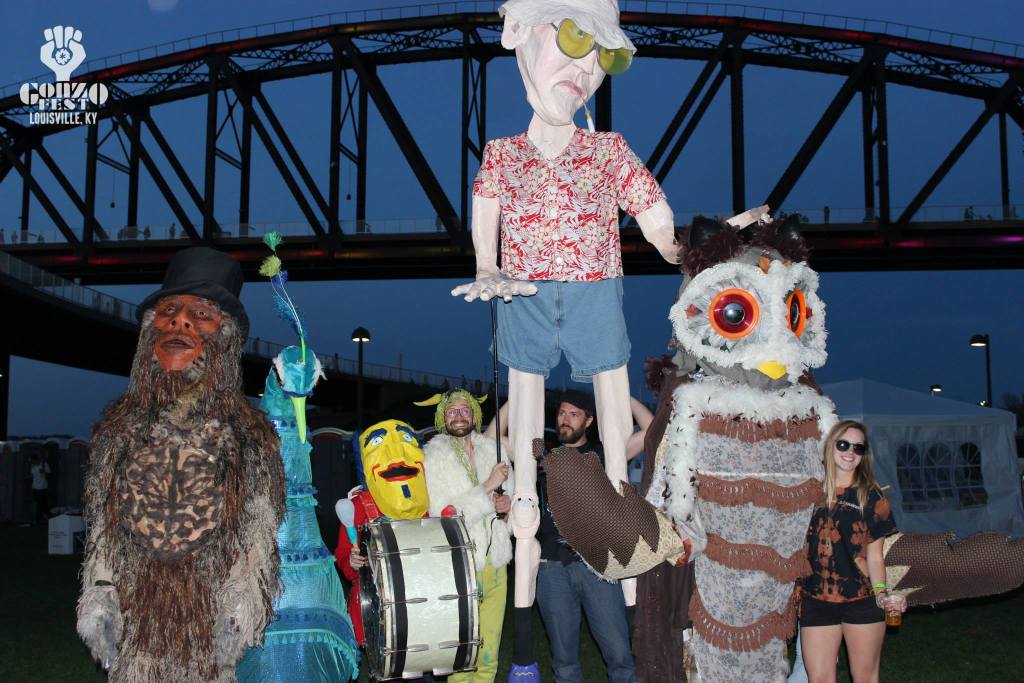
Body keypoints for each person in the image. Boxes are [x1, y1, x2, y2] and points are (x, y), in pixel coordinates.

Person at [536, 390, 636, 683]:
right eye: (561, 413)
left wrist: (621, 394)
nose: (565, 420)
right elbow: (497, 440)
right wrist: (518, 397)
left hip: (597, 565)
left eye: (574, 414)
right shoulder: (543, 457)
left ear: (589, 420)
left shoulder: (605, 455)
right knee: (563, 661)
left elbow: (650, 431)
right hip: (552, 567)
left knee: (619, 654)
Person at [799, 420, 907, 683]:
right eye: (843, 444)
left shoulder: (872, 497)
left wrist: (881, 593)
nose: (850, 452)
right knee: (819, 679)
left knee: (865, 678)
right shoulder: (809, 492)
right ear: (830, 446)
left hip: (861, 600)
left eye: (858, 448)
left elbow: (875, 556)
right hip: (817, 599)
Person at [421, 390, 513, 683]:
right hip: (459, 565)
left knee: (489, 655)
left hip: (496, 563)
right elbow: (444, 514)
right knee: (463, 656)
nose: (458, 417)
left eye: (464, 410)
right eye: (451, 412)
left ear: (474, 415)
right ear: (442, 418)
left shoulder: (493, 450)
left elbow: (507, 496)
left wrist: (505, 506)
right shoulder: (432, 457)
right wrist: (488, 487)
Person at [30, 454, 51, 524]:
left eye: (32, 461)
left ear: (36, 460)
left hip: (42, 487)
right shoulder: (33, 466)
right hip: (35, 487)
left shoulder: (44, 464)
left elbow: (49, 475)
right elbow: (33, 476)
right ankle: (41, 517)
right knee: (37, 503)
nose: (32, 462)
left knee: (41, 503)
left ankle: (39, 518)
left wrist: (43, 472)